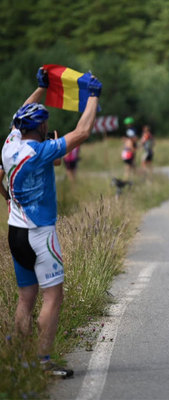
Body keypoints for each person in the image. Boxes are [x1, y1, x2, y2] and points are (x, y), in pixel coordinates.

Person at [1, 67, 102, 376]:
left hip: (15, 232)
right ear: (42, 127)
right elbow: (82, 132)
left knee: (25, 298)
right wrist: (94, 97)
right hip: (40, 235)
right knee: (53, 296)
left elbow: (20, 114)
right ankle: (43, 362)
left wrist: (41, 88)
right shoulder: (41, 151)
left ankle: (23, 359)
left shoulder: (9, 145)